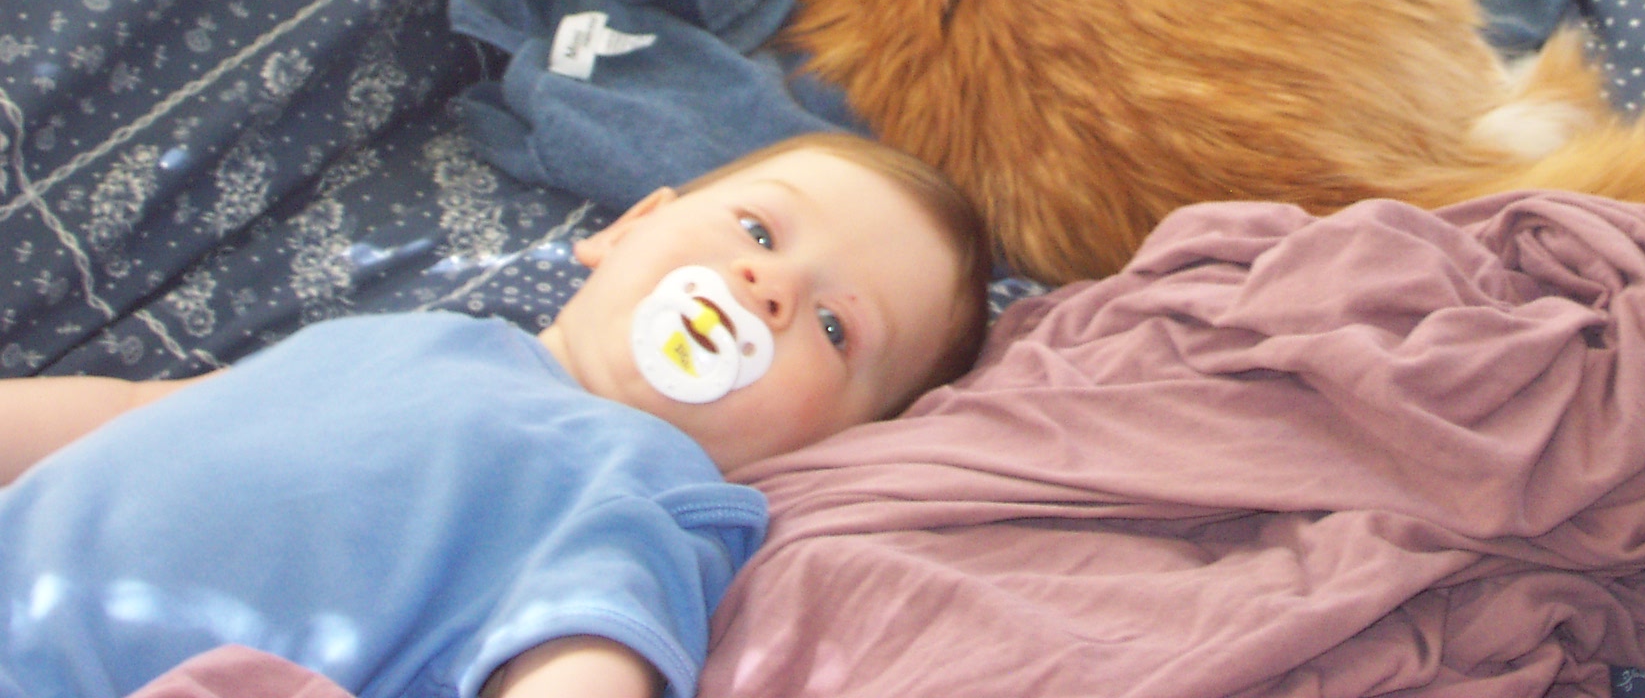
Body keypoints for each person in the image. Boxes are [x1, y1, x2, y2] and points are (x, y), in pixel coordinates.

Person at [0, 132, 992, 698]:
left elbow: (590, 654)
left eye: (835, 327)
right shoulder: (406, 334)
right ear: (630, 226)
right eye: (759, 229)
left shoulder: (645, 485)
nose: (769, 285)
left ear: (837, 445)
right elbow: (135, 413)